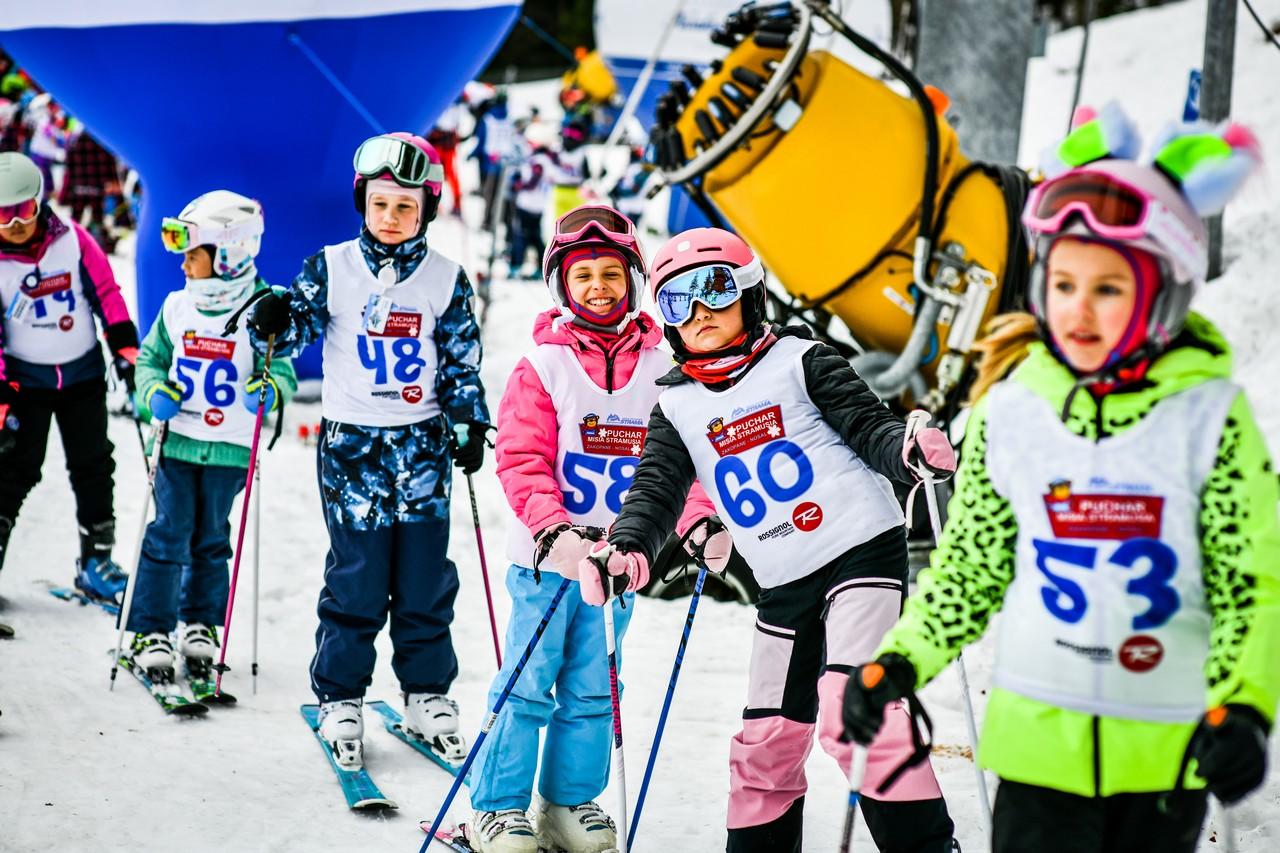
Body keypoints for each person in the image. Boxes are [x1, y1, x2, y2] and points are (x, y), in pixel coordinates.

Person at [842, 106, 1277, 853]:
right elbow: (971, 566)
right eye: (1064, 282)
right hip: (1035, 752)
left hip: (1166, 755)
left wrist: (1244, 705)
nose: (1079, 307)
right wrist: (900, 658)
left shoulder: (1210, 416)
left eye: (1109, 288)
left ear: (1163, 295)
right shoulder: (1010, 411)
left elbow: (1251, 581)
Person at [579, 227, 958, 852]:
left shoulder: (801, 361)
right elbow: (654, 492)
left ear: (750, 296)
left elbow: (872, 430)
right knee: (766, 740)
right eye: (678, 301)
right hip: (783, 582)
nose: (699, 312)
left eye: (715, 292)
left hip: (859, 551)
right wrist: (627, 548)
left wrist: (909, 451)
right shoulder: (676, 403)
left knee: (853, 710)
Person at [465, 205, 719, 853]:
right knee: (527, 683)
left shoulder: (665, 369)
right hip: (548, 563)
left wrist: (695, 526)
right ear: (562, 286)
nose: (599, 286)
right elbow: (520, 456)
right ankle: (497, 806)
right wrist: (553, 529)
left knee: (592, 687)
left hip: (617, 565)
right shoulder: (543, 365)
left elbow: (680, 465)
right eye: (584, 276)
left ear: (633, 281)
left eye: (612, 273)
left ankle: (569, 801)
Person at [246, 132, 489, 769]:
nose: (390, 218)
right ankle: (342, 696)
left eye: (405, 207)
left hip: (423, 446)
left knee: (424, 578)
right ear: (363, 202)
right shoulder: (332, 267)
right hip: (354, 446)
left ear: (426, 210)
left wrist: (468, 422)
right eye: (380, 204)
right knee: (357, 578)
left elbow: (462, 364)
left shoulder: (447, 279)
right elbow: (294, 324)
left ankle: (426, 692)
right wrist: (271, 316)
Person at [125, 190, 296, 688]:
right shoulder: (178, 306)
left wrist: (270, 390)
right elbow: (150, 360)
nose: (182, 263)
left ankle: (200, 624)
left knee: (212, 539)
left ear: (227, 256)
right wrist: (153, 390)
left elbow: (280, 367)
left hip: (229, 449)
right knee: (168, 532)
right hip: (177, 443)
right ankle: (150, 629)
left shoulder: (261, 310)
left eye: (192, 253)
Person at [0, 151, 138, 599]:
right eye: (2, 214)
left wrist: (125, 346)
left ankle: (96, 561)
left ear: (40, 201)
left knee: (93, 465)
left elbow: (106, 293)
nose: (15, 223)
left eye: (23, 209)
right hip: (26, 384)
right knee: (13, 472)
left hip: (82, 375)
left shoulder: (74, 240)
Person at [506, 132, 555, 280]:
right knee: (534, 236)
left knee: (521, 235)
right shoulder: (547, 160)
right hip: (537, 206)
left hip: (528, 205)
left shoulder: (538, 161)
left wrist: (518, 186)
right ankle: (542, 267)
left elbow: (533, 182)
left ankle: (516, 266)